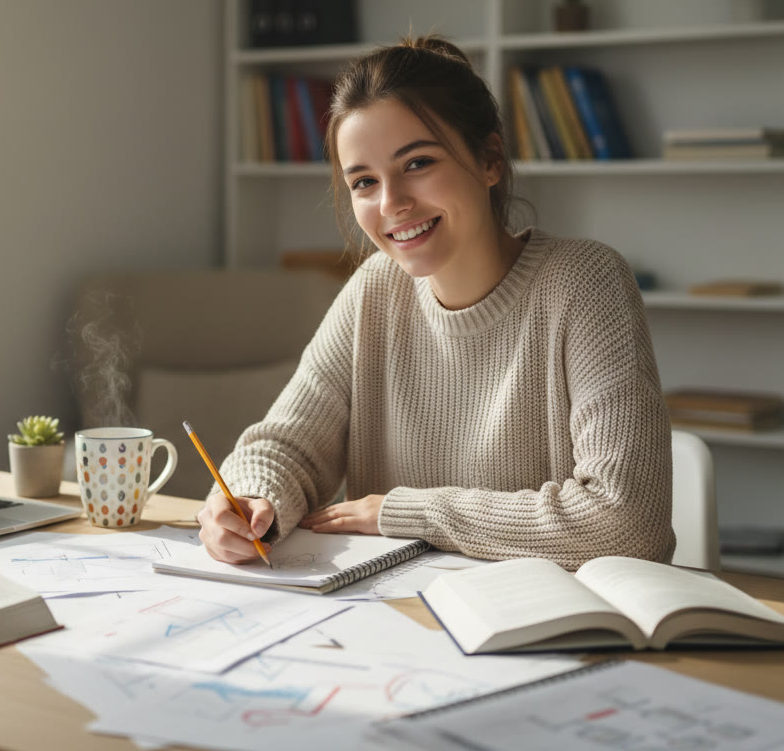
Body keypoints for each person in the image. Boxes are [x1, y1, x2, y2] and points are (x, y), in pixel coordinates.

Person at [196, 35, 675, 570]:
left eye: (418, 163)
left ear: (490, 159)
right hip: (395, 622)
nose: (392, 203)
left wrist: (407, 513)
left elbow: (628, 523)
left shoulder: (585, 282)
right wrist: (250, 498)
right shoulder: (374, 290)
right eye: (363, 182)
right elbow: (287, 446)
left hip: (544, 631)